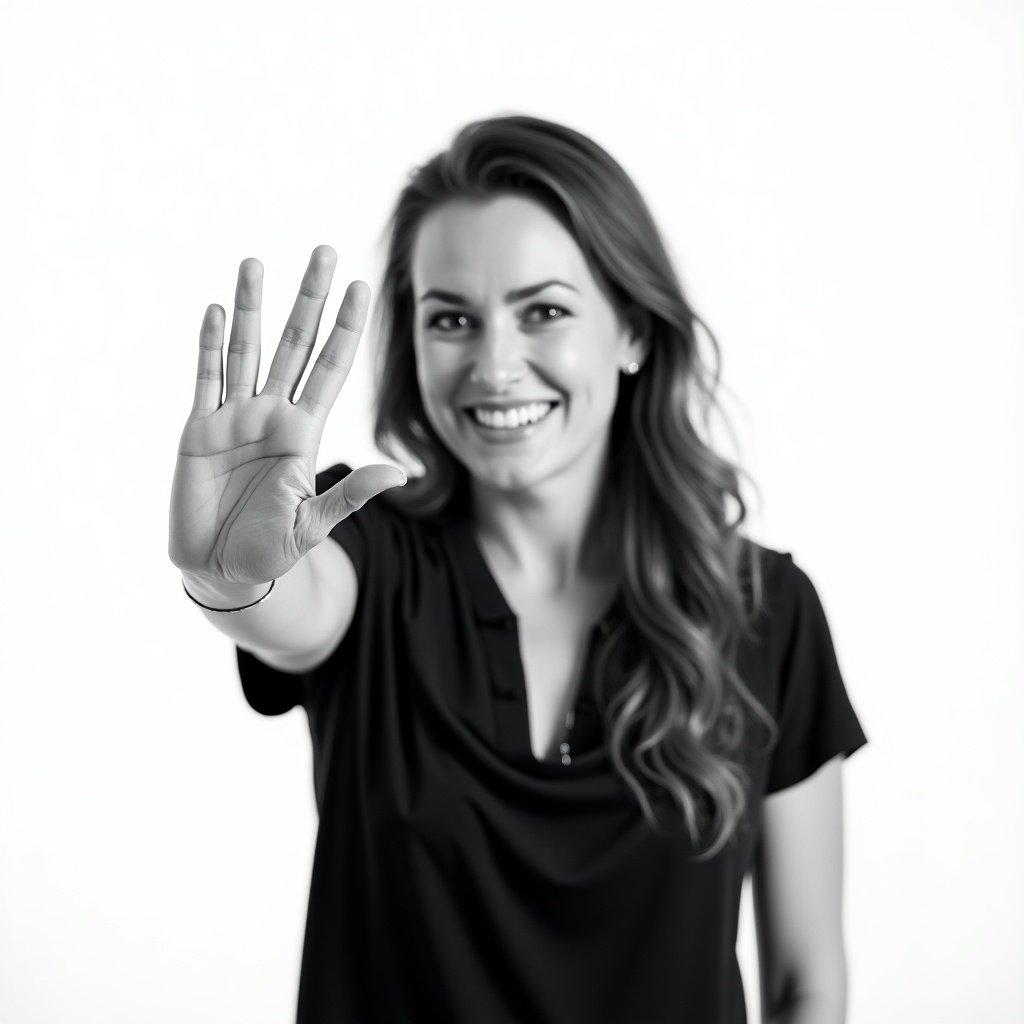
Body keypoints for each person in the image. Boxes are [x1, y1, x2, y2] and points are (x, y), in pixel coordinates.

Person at [168, 115, 869, 1024]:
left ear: (632, 334)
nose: (495, 366)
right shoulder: (365, 547)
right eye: (451, 319)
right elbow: (291, 604)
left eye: (543, 311)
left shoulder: (767, 610)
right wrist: (230, 581)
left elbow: (805, 984)